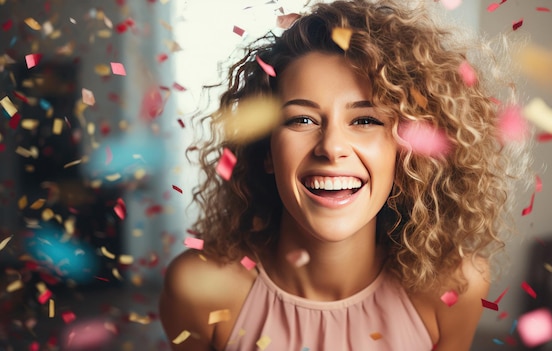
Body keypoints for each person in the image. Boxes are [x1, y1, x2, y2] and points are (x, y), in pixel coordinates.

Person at [159, 0, 530, 350]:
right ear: (265, 149)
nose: (332, 147)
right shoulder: (198, 287)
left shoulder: (455, 287)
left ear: (406, 155)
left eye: (365, 120)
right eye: (301, 119)